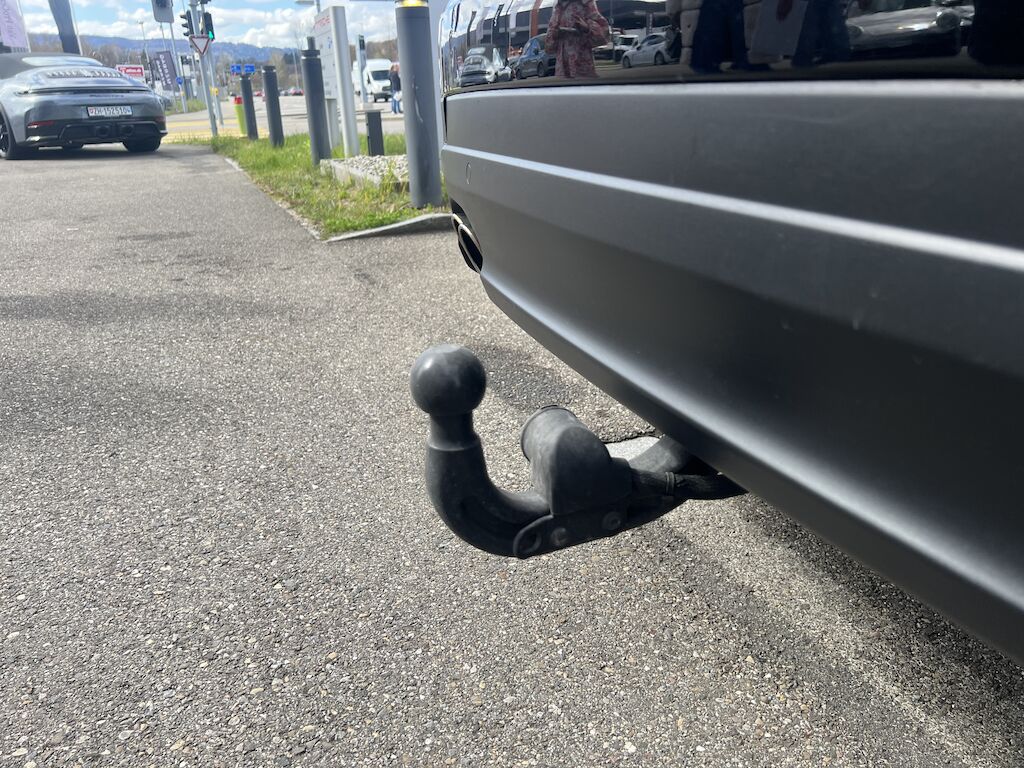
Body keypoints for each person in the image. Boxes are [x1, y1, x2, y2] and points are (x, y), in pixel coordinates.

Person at [544, 0, 610, 79]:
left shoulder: (586, 3)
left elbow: (604, 32)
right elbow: (549, 45)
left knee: (583, 83)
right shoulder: (559, 6)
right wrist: (555, 34)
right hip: (564, 68)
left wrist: (587, 27)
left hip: (582, 64)